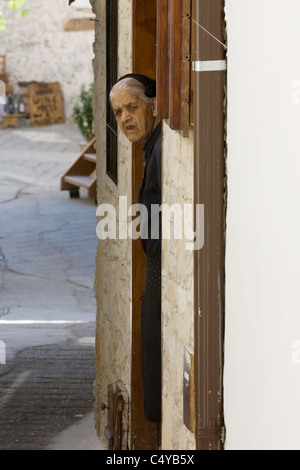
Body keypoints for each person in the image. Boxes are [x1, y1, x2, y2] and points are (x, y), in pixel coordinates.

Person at [110, 74, 162, 423]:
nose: (125, 118)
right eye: (118, 112)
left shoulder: (161, 146)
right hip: (156, 266)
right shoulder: (153, 145)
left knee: (155, 360)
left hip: (161, 269)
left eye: (132, 107)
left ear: (154, 106)